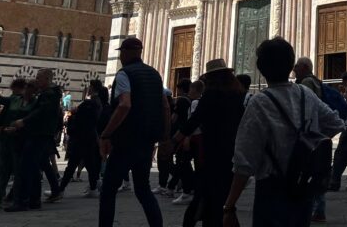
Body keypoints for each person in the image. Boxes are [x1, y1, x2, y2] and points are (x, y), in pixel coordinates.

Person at [223, 37, 344, 227]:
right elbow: (336, 123)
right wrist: (307, 142)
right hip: (302, 188)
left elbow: (244, 162)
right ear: (290, 65)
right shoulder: (306, 94)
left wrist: (229, 206)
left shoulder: (259, 102)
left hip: (272, 189)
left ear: (261, 68)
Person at [98, 37, 168, 227]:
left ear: (126, 53)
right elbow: (164, 106)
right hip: (147, 141)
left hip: (126, 141)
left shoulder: (124, 74)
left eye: (121, 52)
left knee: (108, 190)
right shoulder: (155, 74)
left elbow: (124, 104)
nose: (120, 56)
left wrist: (106, 134)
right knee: (143, 189)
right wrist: (165, 136)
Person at [175, 63, 242, 227]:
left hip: (212, 152)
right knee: (220, 196)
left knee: (205, 195)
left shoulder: (212, 94)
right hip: (231, 153)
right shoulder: (238, 94)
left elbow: (195, 119)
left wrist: (173, 141)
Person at [5, 69, 62, 211]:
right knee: (34, 168)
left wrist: (23, 122)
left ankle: (22, 201)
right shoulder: (48, 94)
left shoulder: (48, 95)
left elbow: (40, 113)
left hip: (39, 135)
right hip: (40, 135)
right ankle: (34, 200)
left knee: (26, 168)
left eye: (39, 77)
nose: (36, 80)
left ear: (48, 79)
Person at [292, 56, 331, 223]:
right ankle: (317, 209)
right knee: (316, 171)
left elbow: (303, 108)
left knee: (309, 171)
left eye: (296, 67)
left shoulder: (306, 83)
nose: (294, 70)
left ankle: (314, 208)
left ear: (304, 67)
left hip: (308, 134)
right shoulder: (315, 81)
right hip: (316, 132)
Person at [0, 77, 28, 207]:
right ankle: (6, 197)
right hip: (11, 138)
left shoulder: (19, 100)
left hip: (14, 139)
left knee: (5, 169)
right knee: (9, 169)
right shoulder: (15, 100)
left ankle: (3, 197)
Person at [58, 80, 101, 196]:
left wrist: (74, 114)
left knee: (72, 165)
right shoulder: (96, 103)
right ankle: (93, 189)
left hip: (82, 138)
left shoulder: (89, 103)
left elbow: (80, 118)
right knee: (90, 165)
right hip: (89, 137)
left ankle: (60, 190)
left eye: (90, 87)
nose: (89, 88)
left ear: (93, 88)